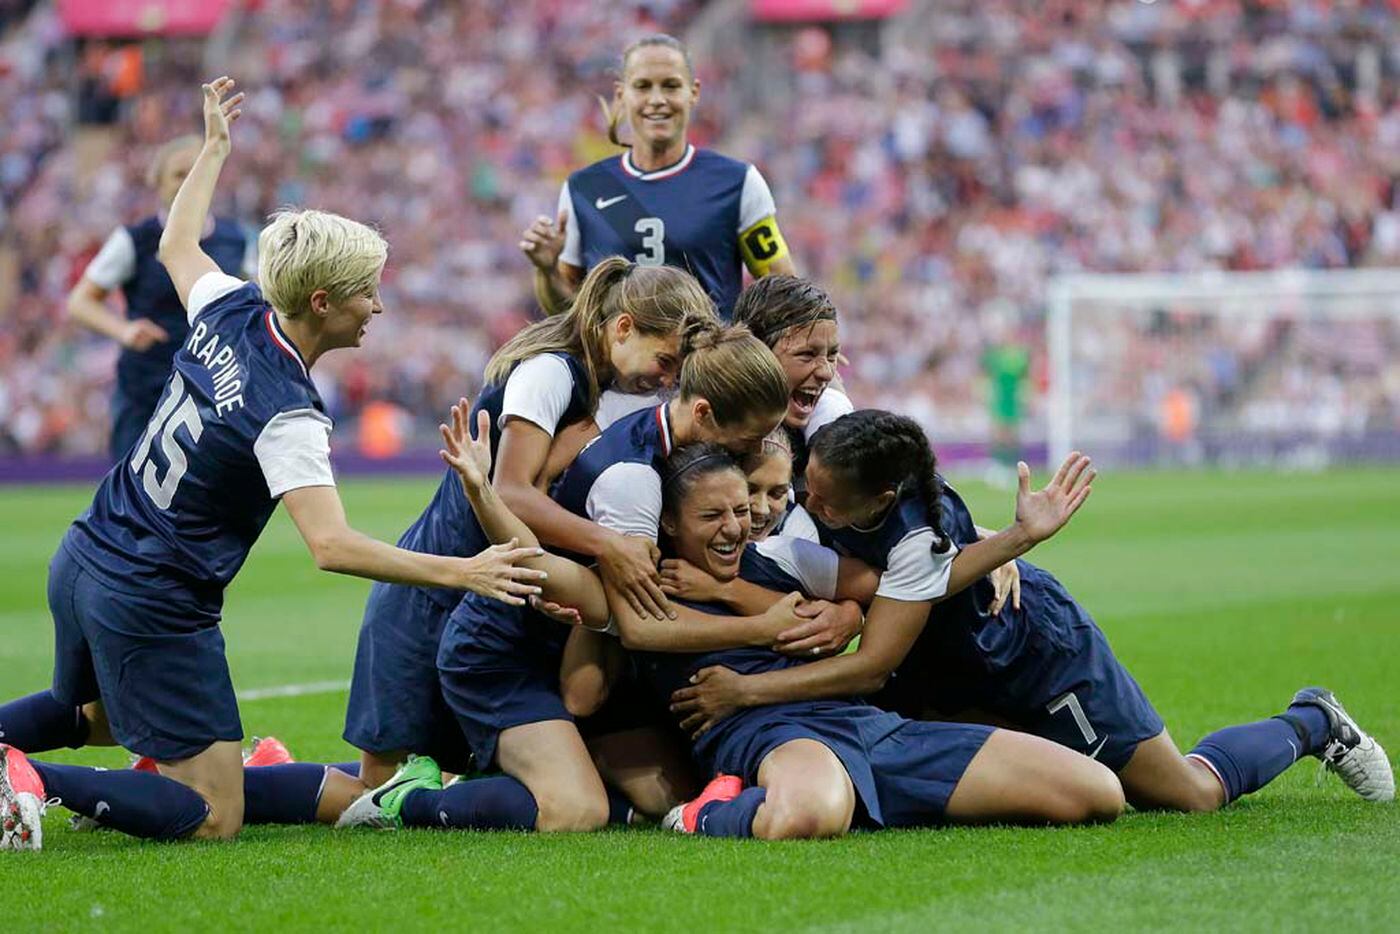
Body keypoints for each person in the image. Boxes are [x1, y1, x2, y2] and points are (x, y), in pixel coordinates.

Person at [0, 78, 545, 851]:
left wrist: (215, 151)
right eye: (367, 294)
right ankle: (30, 784)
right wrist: (470, 572)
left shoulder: (229, 304)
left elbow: (173, 244)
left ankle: (38, 756)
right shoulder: (288, 411)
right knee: (212, 813)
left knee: (88, 715)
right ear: (322, 301)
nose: (378, 308)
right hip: (152, 595)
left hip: (87, 551)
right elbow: (331, 546)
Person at [670, 411, 1396, 810]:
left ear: (882, 499)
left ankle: (1311, 722)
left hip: (1027, 659)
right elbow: (850, 589)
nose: (806, 503)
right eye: (807, 484)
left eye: (825, 497)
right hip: (940, 674)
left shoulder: (918, 533)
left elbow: (873, 664)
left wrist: (747, 689)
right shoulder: (840, 485)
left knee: (1185, 795)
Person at [338, 326, 818, 833]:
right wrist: (762, 627)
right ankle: (410, 798)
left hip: (569, 632)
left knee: (668, 796)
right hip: (506, 649)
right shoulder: (632, 486)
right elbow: (636, 625)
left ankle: (504, 772)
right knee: (574, 809)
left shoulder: (663, 447)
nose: (750, 456)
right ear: (703, 414)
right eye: (746, 442)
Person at [342, 257, 716, 788]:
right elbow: (511, 491)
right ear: (624, 327)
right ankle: (257, 787)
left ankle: (269, 778)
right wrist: (609, 544)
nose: (668, 377)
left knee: (433, 783)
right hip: (429, 598)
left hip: (480, 597)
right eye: (666, 359)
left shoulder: (598, 391)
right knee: (380, 793)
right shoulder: (550, 372)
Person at [644, 445, 1126, 838]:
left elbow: (897, 588)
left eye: (740, 508)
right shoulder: (643, 580)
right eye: (711, 514)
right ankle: (700, 814)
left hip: (859, 720)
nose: (734, 527)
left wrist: (1013, 540)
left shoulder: (782, 554)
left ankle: (864, 796)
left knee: (1097, 791)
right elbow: (615, 645)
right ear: (668, 522)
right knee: (808, 815)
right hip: (765, 735)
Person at [520, 34, 796, 319]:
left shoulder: (736, 183)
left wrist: (812, 345)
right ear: (621, 95)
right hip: (613, 365)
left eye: (671, 86)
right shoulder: (585, 189)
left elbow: (782, 290)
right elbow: (567, 311)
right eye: (642, 86)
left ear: (694, 93)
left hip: (705, 362)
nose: (657, 100)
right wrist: (548, 268)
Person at [66, 134, 253, 461]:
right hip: (146, 388)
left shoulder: (235, 240)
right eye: (179, 175)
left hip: (208, 390)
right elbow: (80, 301)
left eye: (195, 172)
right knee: (130, 495)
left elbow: (254, 304)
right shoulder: (135, 240)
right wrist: (123, 331)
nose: (188, 183)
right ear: (157, 183)